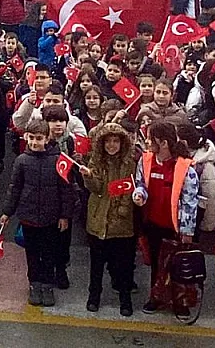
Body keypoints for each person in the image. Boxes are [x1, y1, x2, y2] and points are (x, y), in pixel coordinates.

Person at [2, 118, 77, 308]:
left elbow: (66, 190)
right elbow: (14, 188)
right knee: (32, 253)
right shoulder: (21, 161)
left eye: (39, 138)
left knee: (49, 253)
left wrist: (64, 216)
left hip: (51, 218)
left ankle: (47, 285)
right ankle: (34, 284)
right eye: (31, 138)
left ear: (47, 138)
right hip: (29, 217)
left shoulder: (59, 160)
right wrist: (7, 212)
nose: (35, 142)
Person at [132, 119, 200, 317]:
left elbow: (190, 201)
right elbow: (140, 184)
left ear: (162, 142)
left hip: (175, 227)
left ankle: (180, 302)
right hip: (152, 223)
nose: (147, 142)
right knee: (155, 263)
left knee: (176, 265)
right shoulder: (145, 161)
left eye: (150, 138)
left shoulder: (186, 168)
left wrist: (187, 230)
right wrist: (139, 194)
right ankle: (156, 297)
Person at [78, 121, 138, 316]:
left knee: (123, 264)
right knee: (96, 264)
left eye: (116, 141)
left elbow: (129, 189)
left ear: (122, 143)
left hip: (121, 221)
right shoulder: (95, 162)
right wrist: (88, 176)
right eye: (108, 141)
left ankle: (125, 299)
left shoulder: (130, 164)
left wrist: (123, 209)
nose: (112, 145)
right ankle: (94, 296)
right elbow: (95, 188)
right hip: (98, 218)